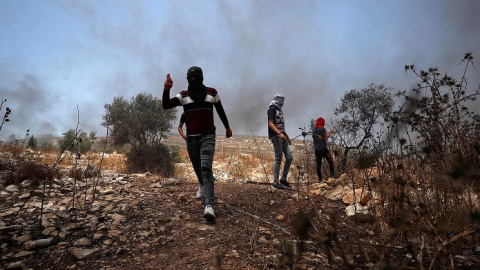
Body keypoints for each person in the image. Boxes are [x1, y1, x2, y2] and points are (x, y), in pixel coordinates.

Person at [162, 66, 232, 222]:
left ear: (202, 78)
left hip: (208, 136)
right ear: (188, 80)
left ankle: (209, 205)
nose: (194, 81)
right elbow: (166, 105)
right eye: (191, 78)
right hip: (192, 138)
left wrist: (227, 127)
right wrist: (166, 89)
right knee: (196, 166)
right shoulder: (183, 96)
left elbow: (220, 110)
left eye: (197, 78)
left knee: (206, 168)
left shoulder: (212, 93)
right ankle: (201, 185)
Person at [267, 93, 293, 189]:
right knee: (278, 158)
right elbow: (270, 123)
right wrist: (279, 133)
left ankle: (283, 179)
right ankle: (275, 181)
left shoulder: (279, 110)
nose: (283, 102)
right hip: (276, 136)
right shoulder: (272, 109)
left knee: (289, 157)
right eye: (281, 100)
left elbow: (281, 125)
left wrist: (286, 136)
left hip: (282, 136)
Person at [312, 117, 335, 182]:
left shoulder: (314, 131)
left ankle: (320, 179)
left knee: (318, 164)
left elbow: (314, 142)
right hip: (323, 149)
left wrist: (316, 147)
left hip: (317, 150)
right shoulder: (322, 129)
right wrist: (330, 132)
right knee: (331, 161)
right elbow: (325, 138)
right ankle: (332, 177)